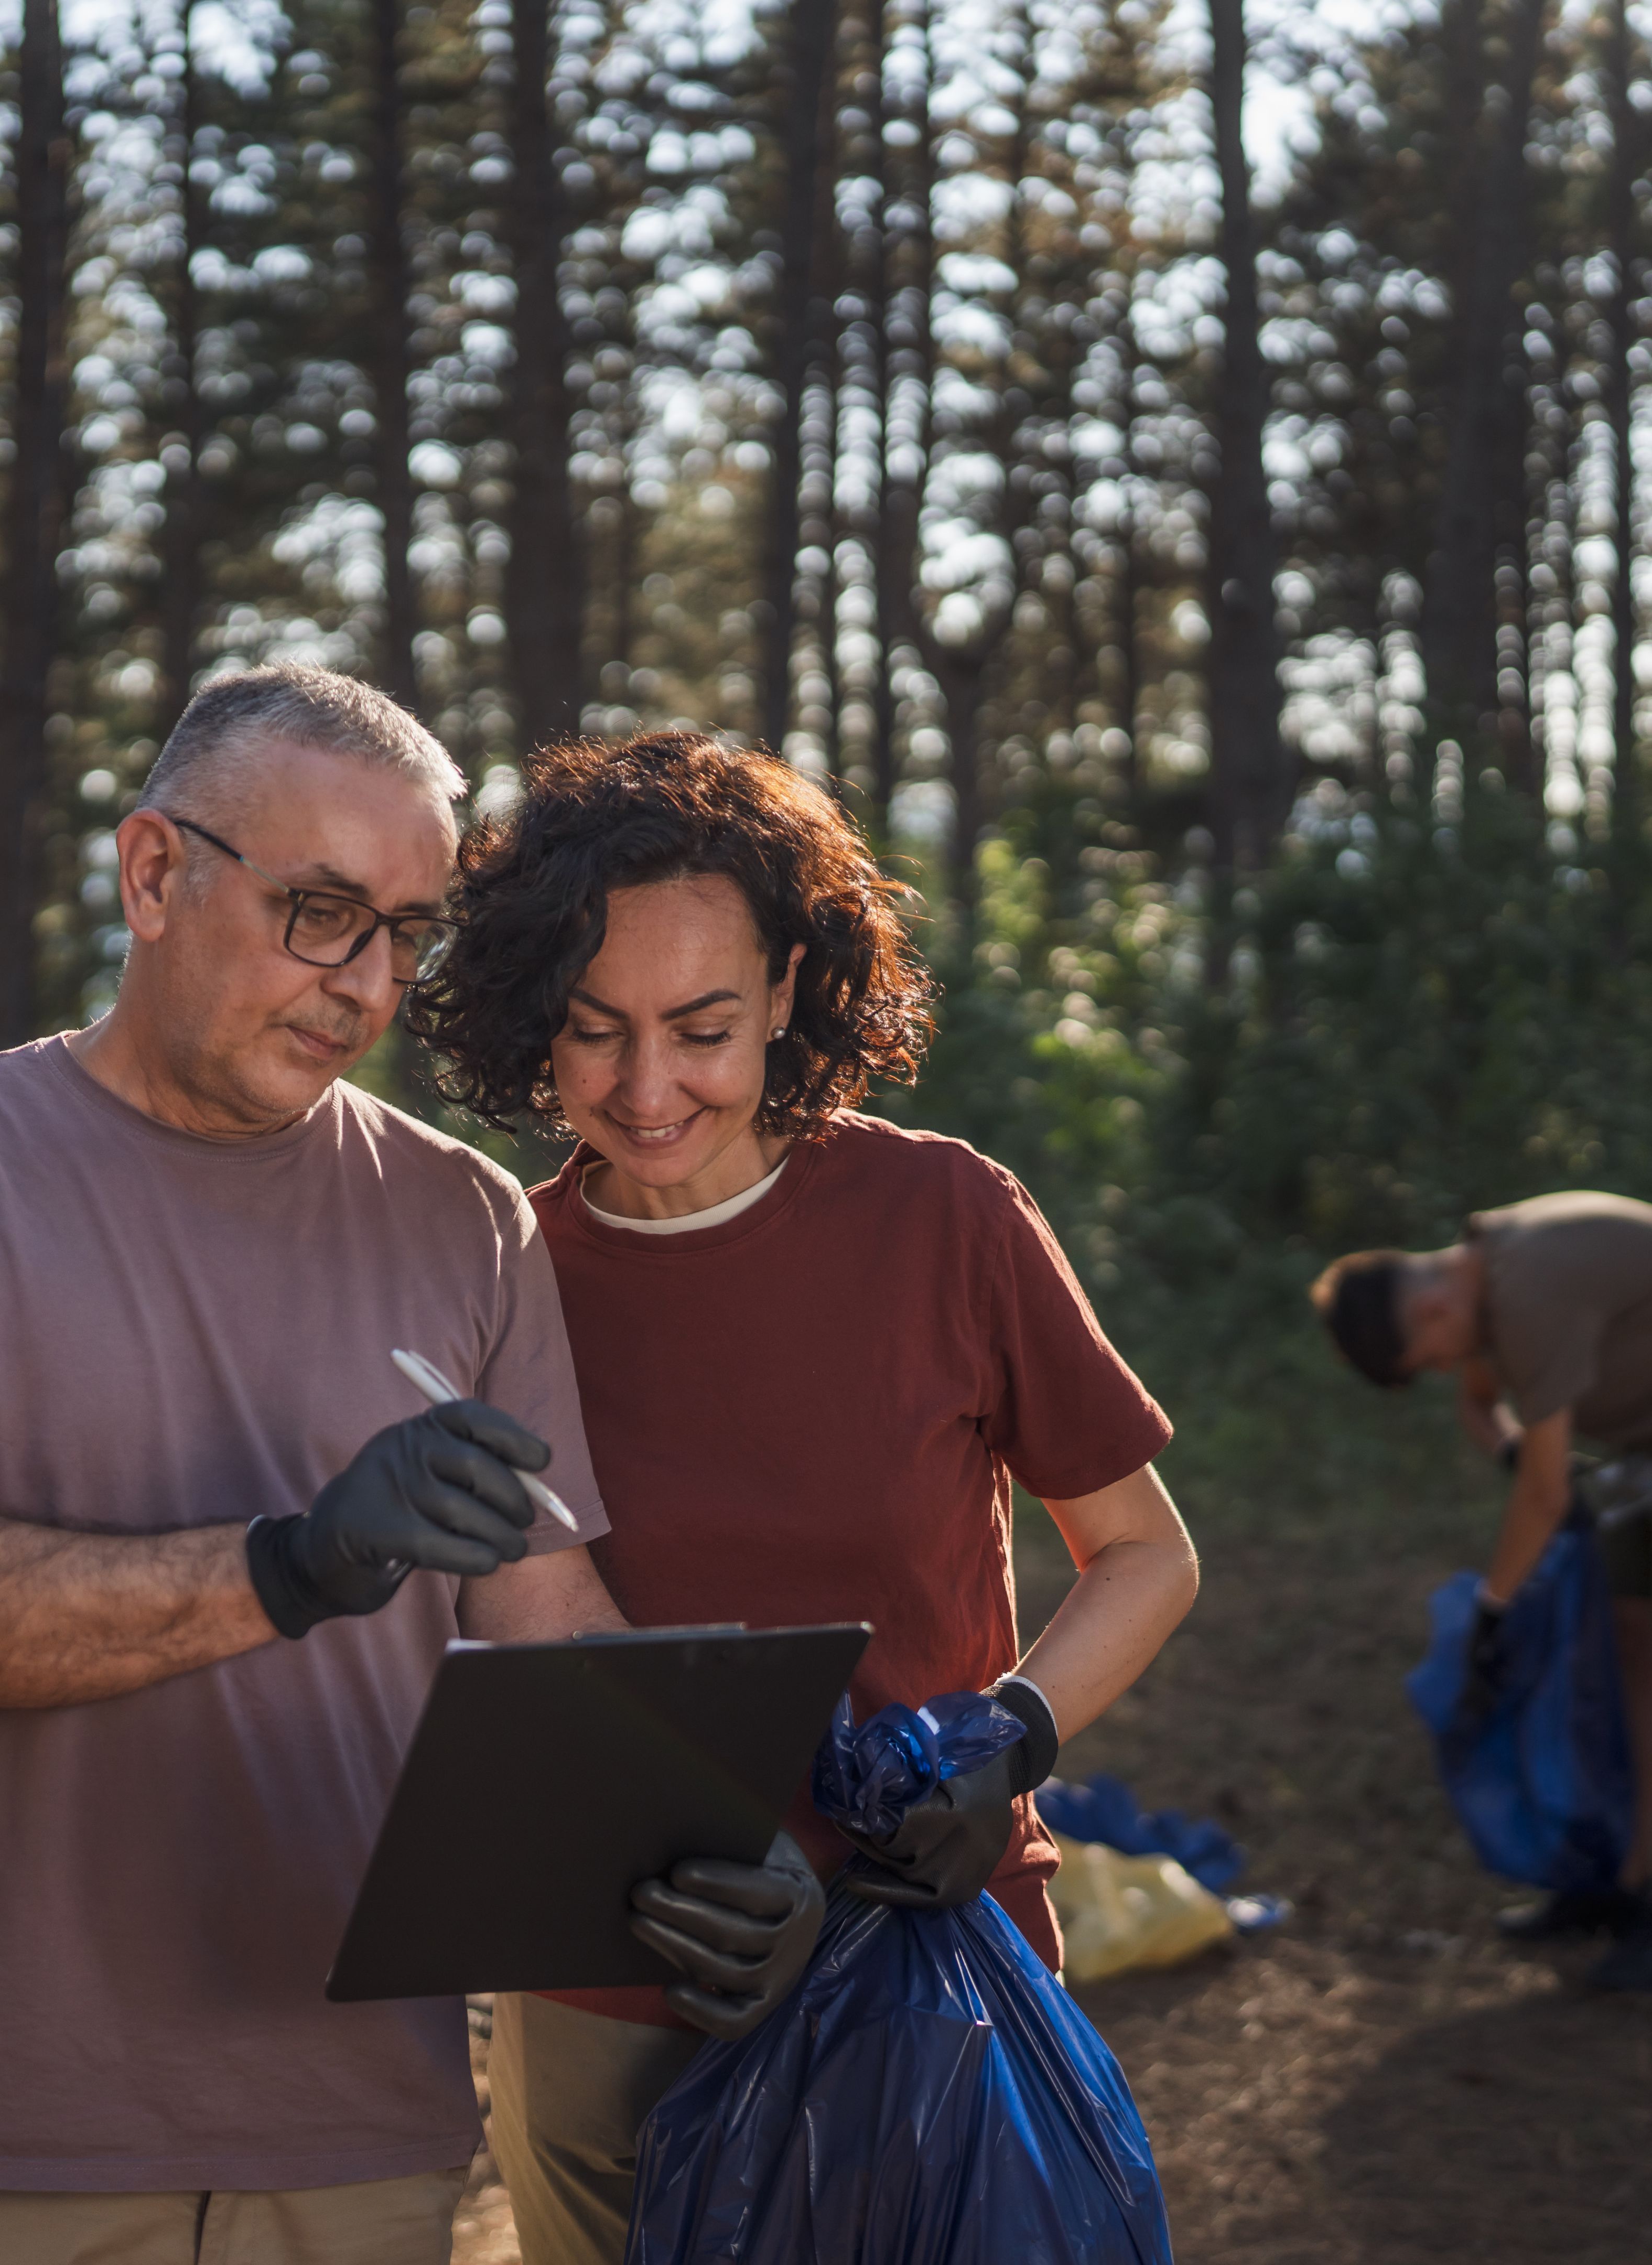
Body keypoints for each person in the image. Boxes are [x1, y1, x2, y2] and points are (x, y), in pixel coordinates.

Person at [0, 667, 826, 2265]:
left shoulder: (464, 1219)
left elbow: (555, 1631)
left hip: (359, 2141)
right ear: (153, 874)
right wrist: (291, 1565)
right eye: (322, 911)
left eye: (406, 933)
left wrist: (738, 1848)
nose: (364, 981)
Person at [404, 731, 1202, 2265]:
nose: (648, 1091)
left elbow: (1146, 1556)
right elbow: (506, 1633)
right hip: (614, 1986)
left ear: (786, 989)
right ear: (530, 1022)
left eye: (703, 1027)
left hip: (936, 1961)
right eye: (592, 1032)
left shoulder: (943, 1218)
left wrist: (1010, 1740)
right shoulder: (498, 1270)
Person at [1311, 1193, 1652, 1991]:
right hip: (1645, 1441)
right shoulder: (1477, 1280)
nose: (1443, 1370)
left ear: (1431, 1310)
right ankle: (1624, 1880)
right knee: (1633, 1646)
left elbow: (1543, 1501)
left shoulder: (1529, 1291)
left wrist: (1494, 1613)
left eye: (1429, 1358)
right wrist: (1515, 1456)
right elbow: (1480, 1406)